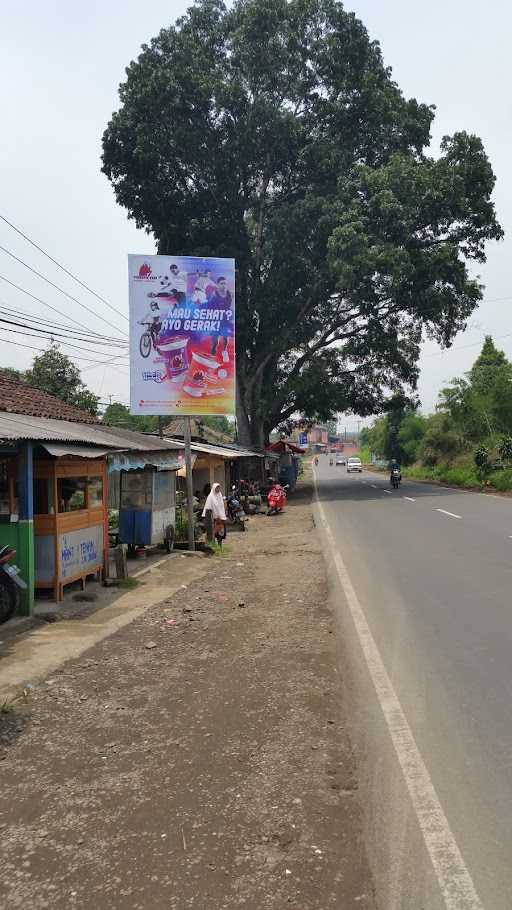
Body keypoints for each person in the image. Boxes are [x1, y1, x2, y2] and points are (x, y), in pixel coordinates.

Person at [208, 277, 233, 363]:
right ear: (218, 285)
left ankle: (224, 351)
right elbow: (209, 308)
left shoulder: (229, 294)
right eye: (221, 283)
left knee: (225, 337)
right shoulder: (214, 295)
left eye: (225, 283)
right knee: (215, 341)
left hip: (225, 320)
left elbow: (230, 307)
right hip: (215, 320)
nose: (223, 285)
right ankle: (212, 355)